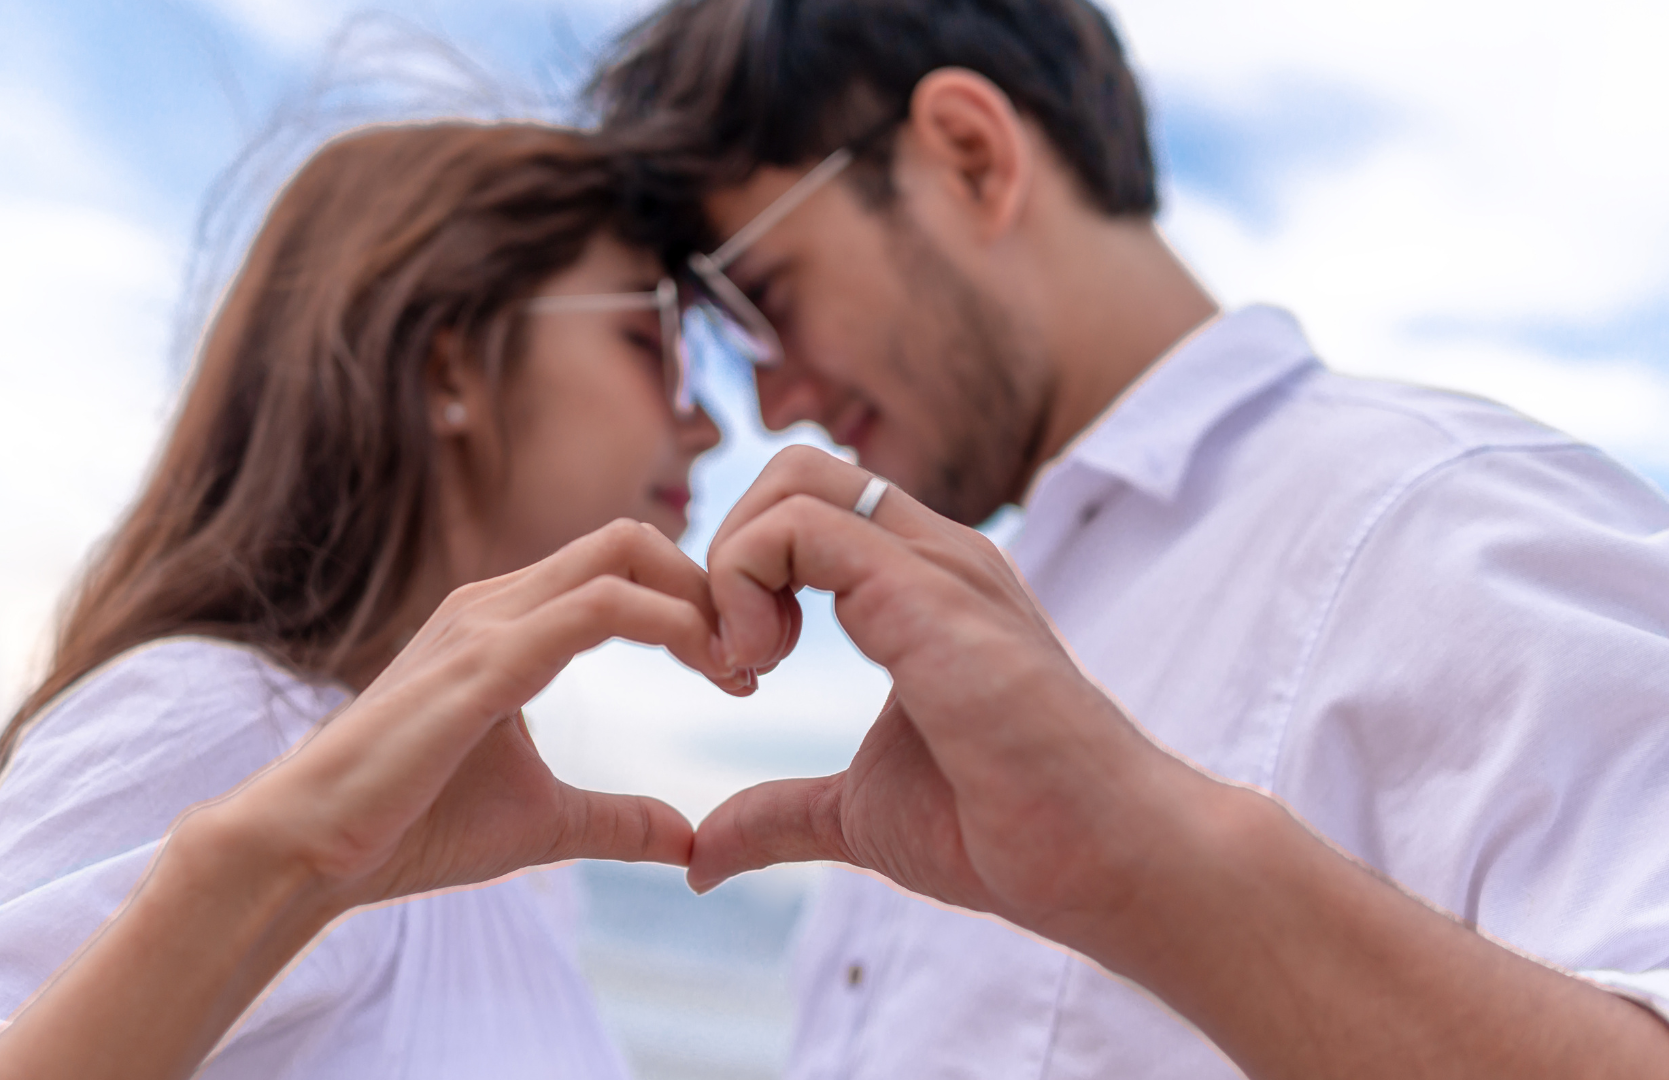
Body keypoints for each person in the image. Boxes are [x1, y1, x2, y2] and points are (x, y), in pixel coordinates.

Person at [589, 0, 1669, 1076]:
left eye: (767, 300)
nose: (772, 403)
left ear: (971, 157)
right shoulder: (984, 628)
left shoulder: (1442, 524)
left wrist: (1147, 867)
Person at [0, 121, 747, 1080]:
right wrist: (269, 867)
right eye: (649, 336)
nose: (705, 420)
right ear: (449, 367)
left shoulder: (510, 856)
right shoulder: (228, 719)